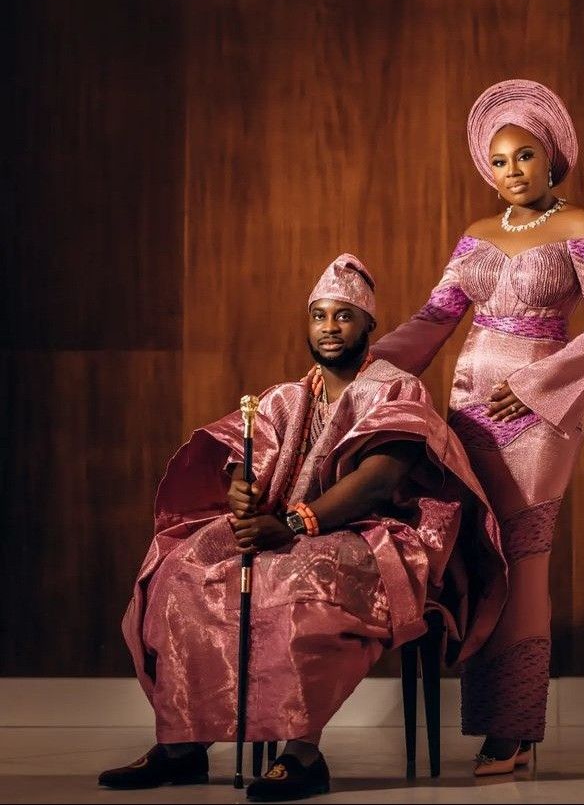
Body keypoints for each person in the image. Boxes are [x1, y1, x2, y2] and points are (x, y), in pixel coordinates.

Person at [98, 253, 508, 800]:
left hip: (377, 534)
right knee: (182, 570)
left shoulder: (396, 390)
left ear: (369, 326)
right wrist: (241, 485)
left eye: (344, 316)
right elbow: (243, 453)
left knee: (298, 582)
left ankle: (301, 753)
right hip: (285, 528)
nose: (330, 328)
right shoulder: (288, 396)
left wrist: (294, 522)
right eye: (320, 316)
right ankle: (183, 745)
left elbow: (380, 479)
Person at [372, 79, 584, 775]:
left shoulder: (582, 225)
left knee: (524, 561)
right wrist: (363, 365)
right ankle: (493, 723)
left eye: (523, 156)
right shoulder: (478, 237)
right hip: (468, 413)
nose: (510, 170)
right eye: (499, 160)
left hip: (538, 417)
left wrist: (536, 385)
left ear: (551, 160)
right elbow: (434, 320)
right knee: (478, 556)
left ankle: (514, 729)